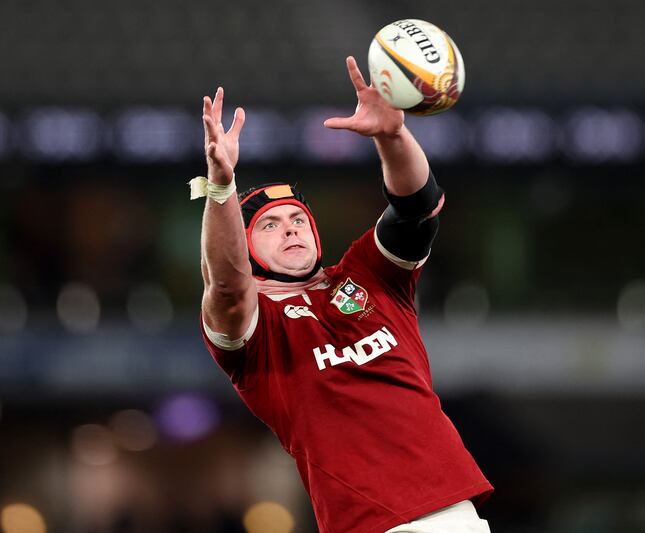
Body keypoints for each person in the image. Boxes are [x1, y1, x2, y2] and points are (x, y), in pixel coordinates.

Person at [192, 56, 493, 533]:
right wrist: (221, 187)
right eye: (269, 225)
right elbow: (226, 285)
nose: (290, 229)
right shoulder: (256, 331)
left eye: (298, 219)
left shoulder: (368, 275)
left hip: (455, 513)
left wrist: (393, 137)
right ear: (246, 248)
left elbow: (416, 207)